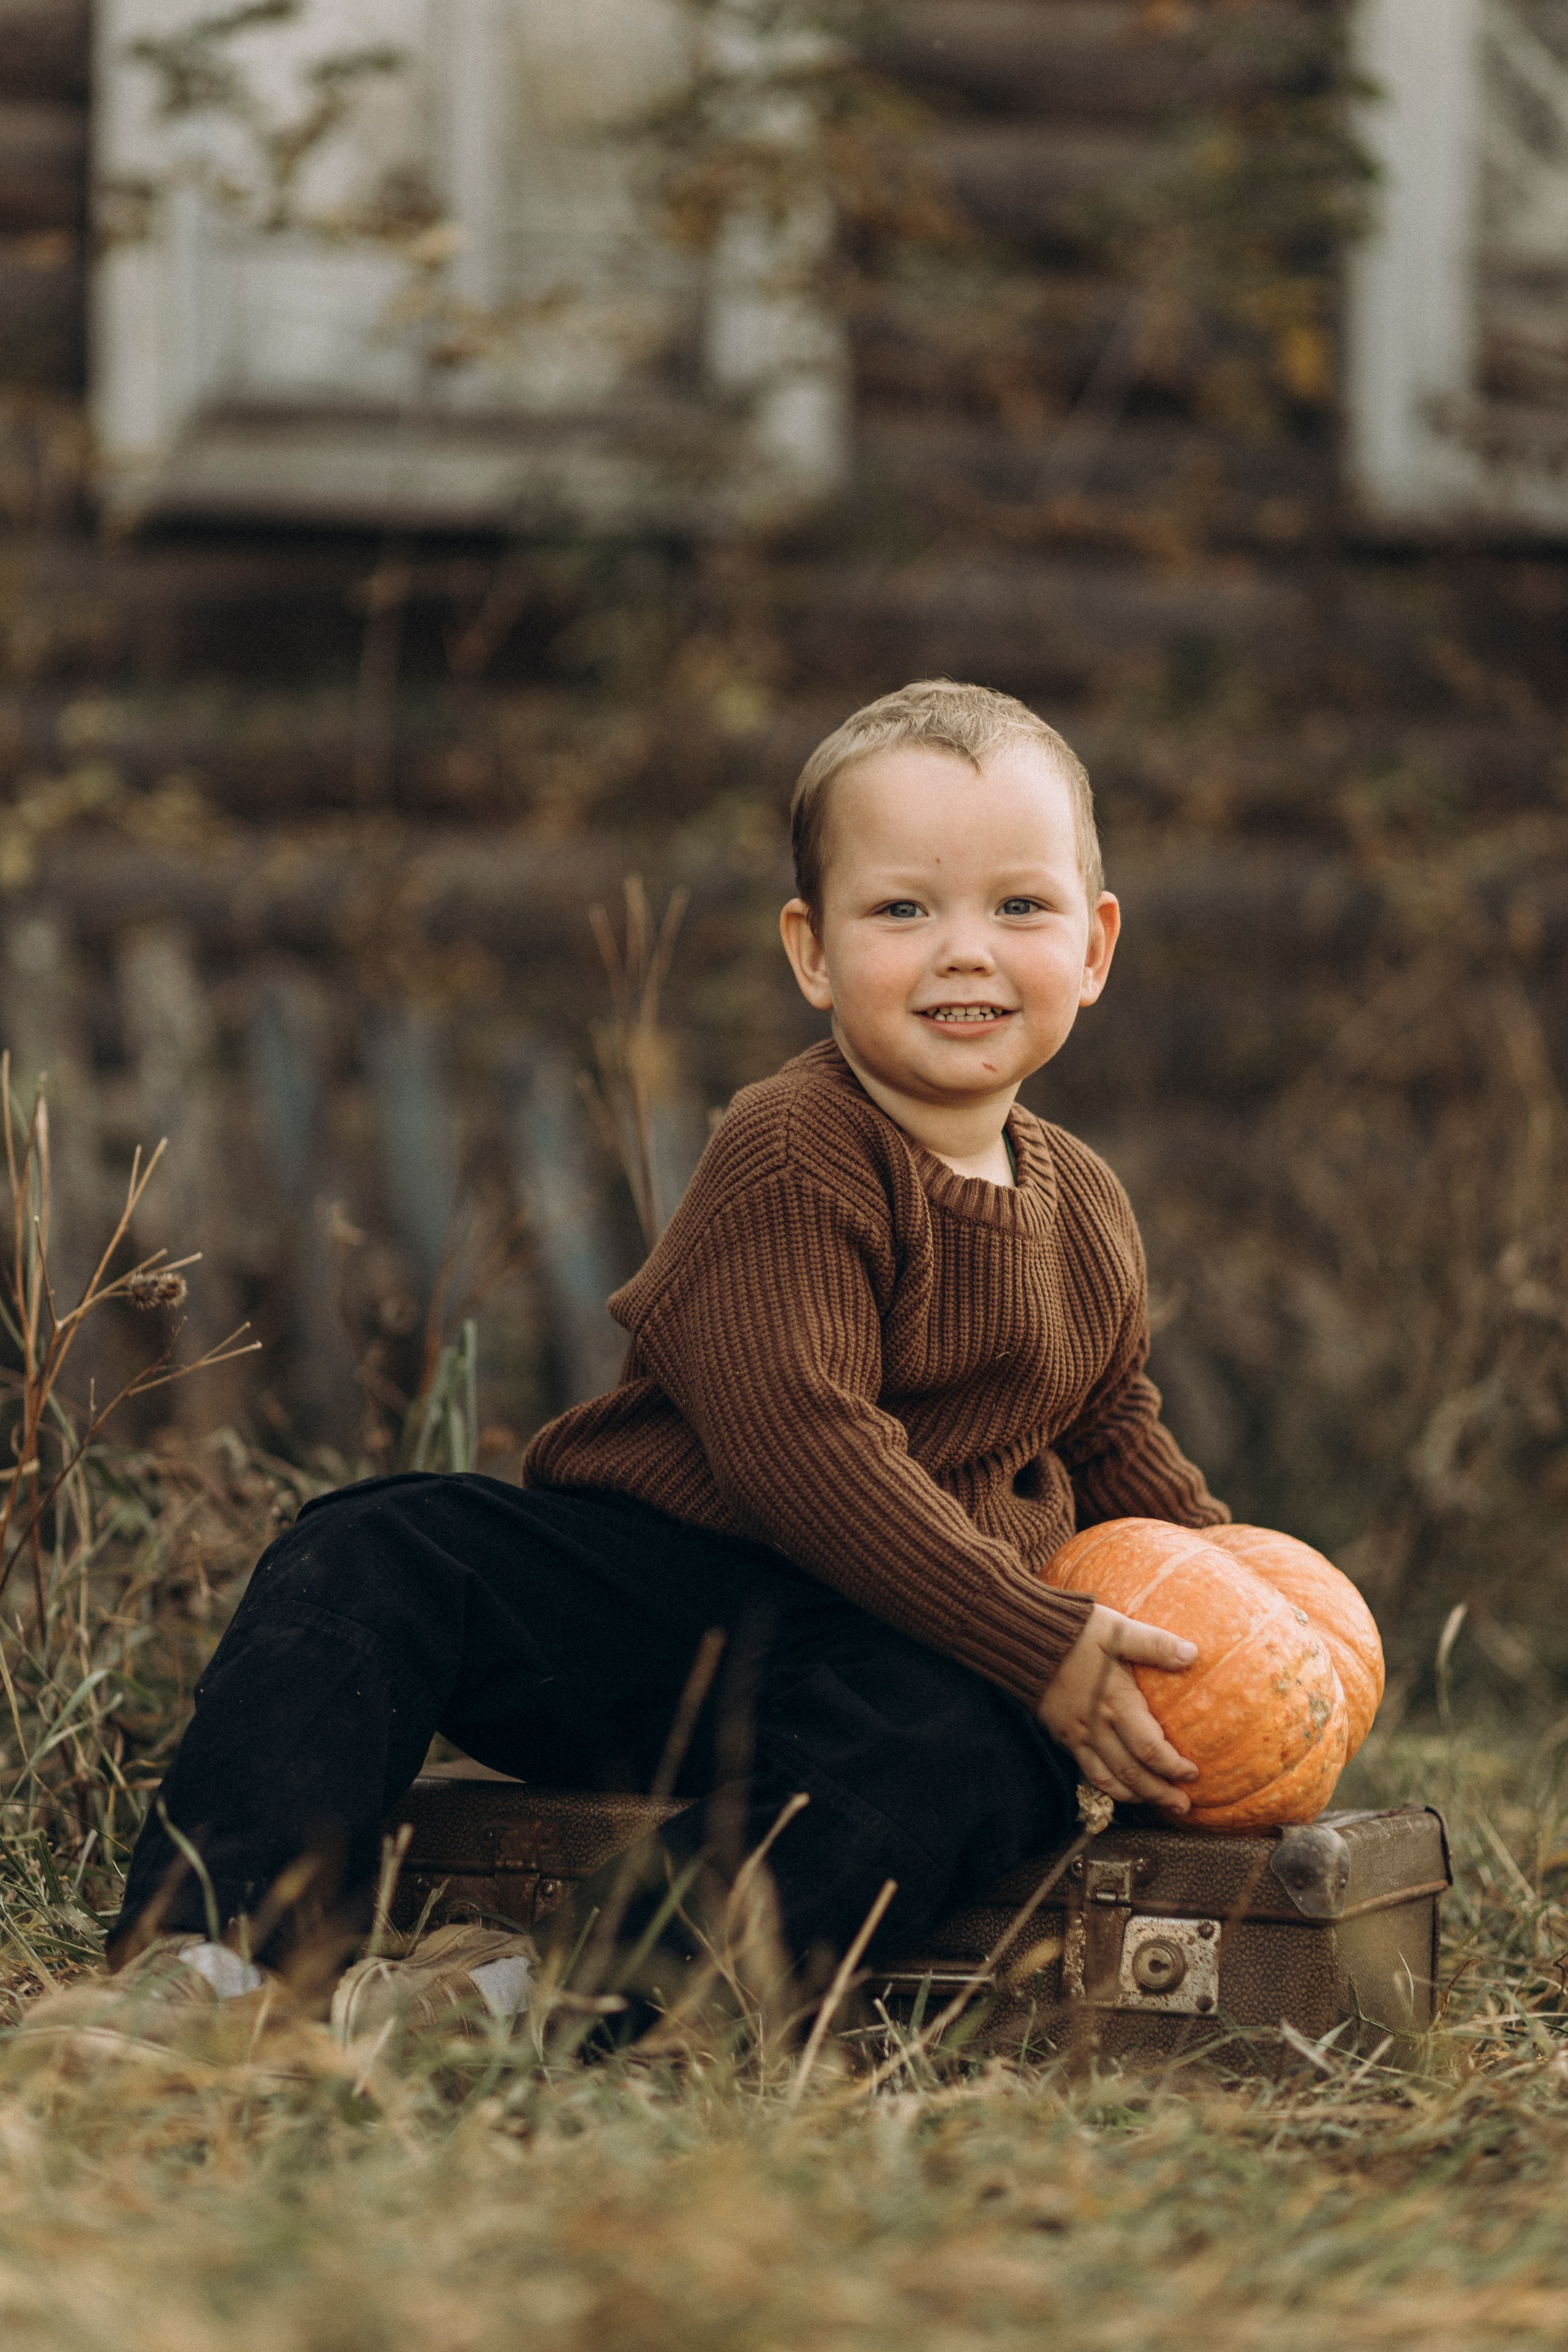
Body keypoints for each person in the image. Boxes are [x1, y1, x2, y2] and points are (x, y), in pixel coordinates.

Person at [93, 679, 1227, 2041]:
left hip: (890, 1662)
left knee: (968, 1749)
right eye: (901, 909)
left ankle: (569, 2000)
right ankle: (214, 1956)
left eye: (1018, 908)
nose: (962, 954)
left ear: (1095, 947)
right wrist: (1035, 1638)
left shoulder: (1085, 1204)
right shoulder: (796, 1144)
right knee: (379, 1545)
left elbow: (1113, 1438)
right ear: (811, 953)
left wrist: (1244, 1626)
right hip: (659, 1613)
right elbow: (801, 1446)